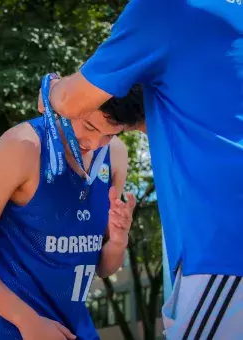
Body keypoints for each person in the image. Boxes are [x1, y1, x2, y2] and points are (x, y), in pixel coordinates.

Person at [38, 1, 243, 338]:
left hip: (223, 245)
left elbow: (69, 100)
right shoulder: (229, 20)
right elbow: (171, 118)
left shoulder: (161, 8)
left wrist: (51, 88)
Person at [0, 87, 145, 340]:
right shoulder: (22, 146)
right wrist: (26, 320)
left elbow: (103, 268)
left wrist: (118, 241)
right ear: (72, 102)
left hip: (72, 328)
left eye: (110, 134)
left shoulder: (114, 155)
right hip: (9, 328)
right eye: (90, 127)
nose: (94, 143)